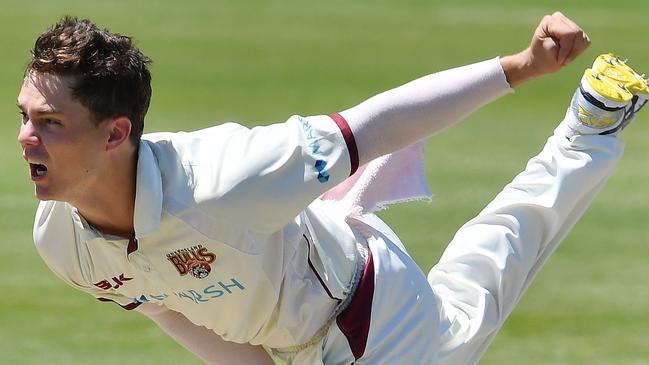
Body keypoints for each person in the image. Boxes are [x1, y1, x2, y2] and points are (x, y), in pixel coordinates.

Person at [17, 11, 648, 365]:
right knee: (471, 297)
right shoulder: (62, 245)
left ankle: (584, 131)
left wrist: (522, 67)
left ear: (114, 134)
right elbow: (164, 302)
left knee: (476, 297)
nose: (26, 138)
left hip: (368, 312)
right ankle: (588, 129)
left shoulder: (223, 176)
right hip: (303, 312)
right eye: (24, 115)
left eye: (50, 123)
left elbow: (373, 126)